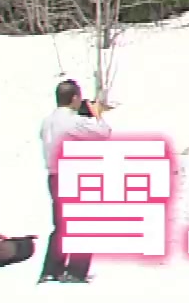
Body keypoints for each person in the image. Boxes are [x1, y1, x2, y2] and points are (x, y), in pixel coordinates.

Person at [38, 79, 111, 284]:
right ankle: (76, 271)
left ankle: (52, 269)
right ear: (74, 98)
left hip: (54, 176)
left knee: (60, 226)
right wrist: (95, 114)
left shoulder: (47, 121)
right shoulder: (71, 121)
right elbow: (103, 133)